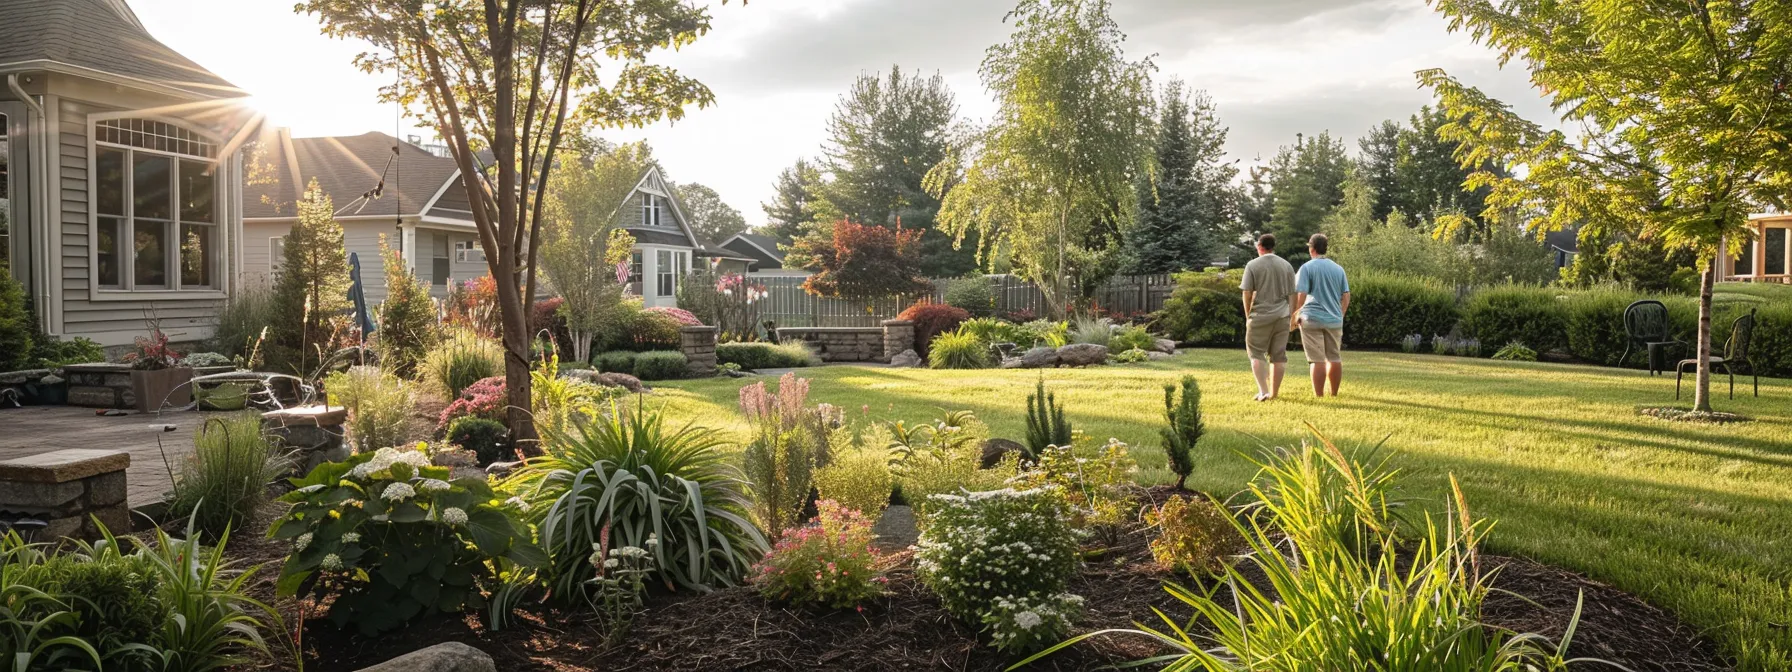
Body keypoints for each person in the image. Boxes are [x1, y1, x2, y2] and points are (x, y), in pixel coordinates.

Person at [1291, 233, 1350, 397]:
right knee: (1334, 357)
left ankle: (1319, 395)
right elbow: (1346, 296)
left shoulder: (1307, 268)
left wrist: (1295, 314)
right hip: (1334, 320)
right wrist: (1341, 314)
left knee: (1316, 359)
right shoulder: (1338, 269)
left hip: (1312, 318)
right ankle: (1334, 394)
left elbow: (1301, 295)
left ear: (1312, 248)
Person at [1239, 233, 1296, 401]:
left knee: (1256, 353)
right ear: (1273, 247)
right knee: (1278, 355)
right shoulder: (1286, 265)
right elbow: (1293, 294)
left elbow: (1247, 292)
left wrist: (1248, 314)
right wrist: (1291, 315)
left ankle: (1263, 391)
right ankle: (1274, 393)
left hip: (1259, 315)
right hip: (1282, 315)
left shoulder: (1252, 265)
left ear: (1259, 247)